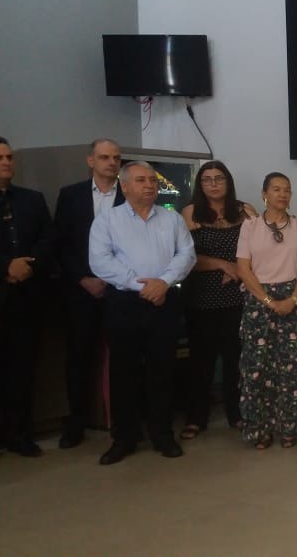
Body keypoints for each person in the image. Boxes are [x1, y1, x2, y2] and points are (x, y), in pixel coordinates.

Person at [89, 160, 196, 465]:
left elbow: (186, 254)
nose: (150, 185)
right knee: (124, 372)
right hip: (124, 304)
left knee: (162, 370)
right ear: (124, 186)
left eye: (152, 180)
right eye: (141, 180)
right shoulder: (107, 220)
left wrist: (163, 282)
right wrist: (141, 286)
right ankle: (124, 438)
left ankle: (162, 434)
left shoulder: (171, 218)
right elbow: (100, 261)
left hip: (164, 302)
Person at [53, 138, 125, 449]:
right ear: (90, 161)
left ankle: (125, 422)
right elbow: (62, 244)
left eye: (116, 157)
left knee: (124, 357)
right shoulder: (71, 196)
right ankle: (77, 422)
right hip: (81, 290)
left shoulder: (131, 195)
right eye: (105, 157)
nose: (111, 162)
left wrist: (112, 279)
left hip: (120, 290)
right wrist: (84, 278)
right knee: (79, 357)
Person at [235, 172, 297, 450]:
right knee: (258, 368)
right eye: (276, 189)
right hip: (260, 301)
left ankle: (290, 426)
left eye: (287, 190)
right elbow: (243, 268)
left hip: (294, 300)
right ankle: (260, 428)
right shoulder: (250, 227)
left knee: (294, 368)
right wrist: (269, 301)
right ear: (264, 194)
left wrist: (292, 299)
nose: (282, 194)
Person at [178, 161, 257, 441]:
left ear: (228, 182)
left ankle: (237, 413)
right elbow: (182, 257)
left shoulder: (245, 211)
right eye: (207, 179)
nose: (213, 184)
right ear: (200, 185)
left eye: (219, 178)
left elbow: (259, 249)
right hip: (201, 298)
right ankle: (196, 417)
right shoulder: (189, 213)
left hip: (238, 296)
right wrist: (222, 265)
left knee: (236, 359)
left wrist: (238, 269)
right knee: (202, 360)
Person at [0, 135, 57, 457]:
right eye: (0, 158)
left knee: (22, 370)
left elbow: (48, 238)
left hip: (27, 298)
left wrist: (27, 266)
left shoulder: (31, 199)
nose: (6, 162)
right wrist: (6, 266)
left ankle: (20, 434)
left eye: (9, 157)